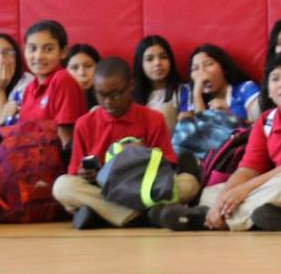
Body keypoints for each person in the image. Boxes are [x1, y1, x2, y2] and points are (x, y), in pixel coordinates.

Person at [156, 52, 281, 231]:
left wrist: (243, 190)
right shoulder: (266, 120)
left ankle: (206, 218)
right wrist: (224, 196)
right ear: (269, 90)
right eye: (275, 79)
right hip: (277, 188)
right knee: (212, 193)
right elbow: (248, 169)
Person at [53, 58, 199, 228]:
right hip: (104, 189)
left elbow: (169, 164)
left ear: (131, 86)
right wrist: (83, 173)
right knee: (62, 186)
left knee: (189, 183)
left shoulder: (153, 118)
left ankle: (103, 215)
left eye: (115, 94)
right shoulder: (84, 123)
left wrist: (143, 153)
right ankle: (144, 216)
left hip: (143, 187)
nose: (108, 101)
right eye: (101, 95)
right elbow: (73, 172)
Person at [9, 20, 87, 149]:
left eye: (48, 49)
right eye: (32, 48)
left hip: (57, 159)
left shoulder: (62, 80)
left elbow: (66, 142)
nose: (39, 56)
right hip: (31, 157)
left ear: (63, 52)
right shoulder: (28, 88)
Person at [132, 35, 184, 130]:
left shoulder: (184, 90)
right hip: (139, 138)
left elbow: (187, 123)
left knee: (167, 109)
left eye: (163, 57)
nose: (157, 63)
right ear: (141, 64)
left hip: (172, 138)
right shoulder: (132, 95)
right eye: (150, 59)